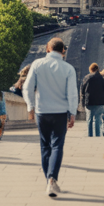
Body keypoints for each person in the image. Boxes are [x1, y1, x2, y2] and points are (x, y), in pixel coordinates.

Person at [23, 37, 78, 197]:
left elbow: (27, 87)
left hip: (42, 111)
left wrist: (30, 106)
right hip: (60, 113)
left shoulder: (37, 65)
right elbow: (72, 93)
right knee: (57, 146)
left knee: (45, 146)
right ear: (63, 51)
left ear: (47, 49)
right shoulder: (68, 68)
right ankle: (52, 179)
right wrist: (72, 112)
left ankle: (49, 180)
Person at [82, 63, 104, 138]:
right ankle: (98, 136)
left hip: (90, 102)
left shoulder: (87, 78)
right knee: (98, 120)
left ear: (91, 69)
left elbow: (82, 90)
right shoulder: (103, 79)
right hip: (101, 102)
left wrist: (83, 101)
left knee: (89, 120)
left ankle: (90, 136)